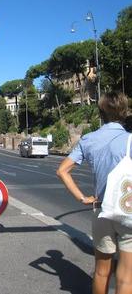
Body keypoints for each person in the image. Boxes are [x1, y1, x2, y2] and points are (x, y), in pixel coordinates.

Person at [56, 92, 132, 294]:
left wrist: (82, 198)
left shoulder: (89, 139)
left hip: (101, 209)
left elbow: (62, 170)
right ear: (124, 113)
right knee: (126, 278)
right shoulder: (130, 140)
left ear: (100, 112)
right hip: (127, 210)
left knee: (101, 272)